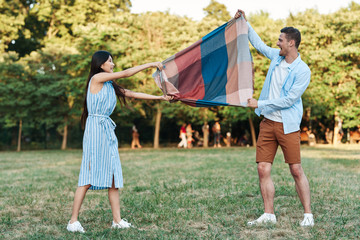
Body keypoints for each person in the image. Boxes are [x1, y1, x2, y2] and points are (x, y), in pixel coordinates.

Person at [67, 50, 172, 233]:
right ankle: (73, 222)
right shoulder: (97, 78)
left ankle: (117, 220)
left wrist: (160, 98)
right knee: (88, 176)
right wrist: (151, 64)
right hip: (95, 131)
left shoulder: (109, 84)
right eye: (110, 61)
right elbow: (126, 73)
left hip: (106, 130)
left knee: (113, 177)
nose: (113, 64)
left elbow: (131, 93)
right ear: (101, 64)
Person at [235, 10, 314, 227]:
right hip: (268, 123)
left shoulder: (302, 71)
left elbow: (289, 100)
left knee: (296, 169)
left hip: (287, 125)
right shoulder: (275, 57)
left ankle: (308, 215)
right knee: (263, 168)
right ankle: (268, 214)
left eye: (280, 40)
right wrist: (244, 22)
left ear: (291, 43)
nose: (276, 43)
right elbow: (258, 44)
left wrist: (259, 103)